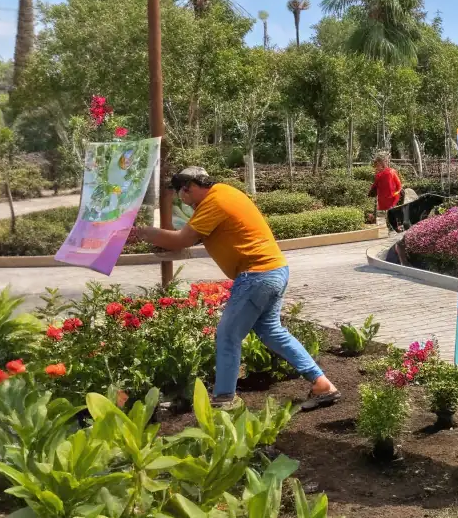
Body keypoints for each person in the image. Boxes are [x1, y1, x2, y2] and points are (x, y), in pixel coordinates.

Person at [128, 166, 340, 411]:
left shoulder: (214, 201)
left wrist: (138, 233)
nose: (183, 201)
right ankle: (322, 384)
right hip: (274, 269)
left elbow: (181, 239)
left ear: (192, 187)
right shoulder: (224, 194)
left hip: (256, 275)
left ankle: (224, 399)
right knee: (272, 332)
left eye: (182, 195)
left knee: (228, 335)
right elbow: (189, 239)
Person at [370, 153, 404, 229]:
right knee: (391, 210)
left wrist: (370, 192)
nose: (376, 168)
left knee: (389, 211)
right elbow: (399, 183)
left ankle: (393, 226)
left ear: (381, 165)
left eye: (377, 166)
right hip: (392, 196)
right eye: (376, 166)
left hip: (388, 197)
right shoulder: (392, 171)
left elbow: (374, 185)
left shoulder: (380, 174)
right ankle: (394, 225)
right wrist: (398, 192)